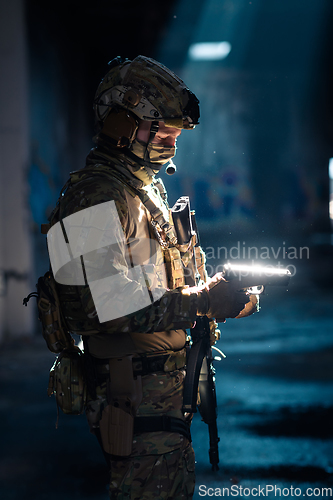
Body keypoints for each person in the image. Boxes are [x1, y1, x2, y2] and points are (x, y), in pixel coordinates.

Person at [45, 55, 257, 499]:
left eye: (175, 136)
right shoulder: (95, 196)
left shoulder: (140, 190)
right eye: (161, 133)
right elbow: (108, 307)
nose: (171, 145)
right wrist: (203, 301)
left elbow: (161, 282)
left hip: (161, 394)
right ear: (121, 125)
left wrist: (221, 297)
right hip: (132, 394)